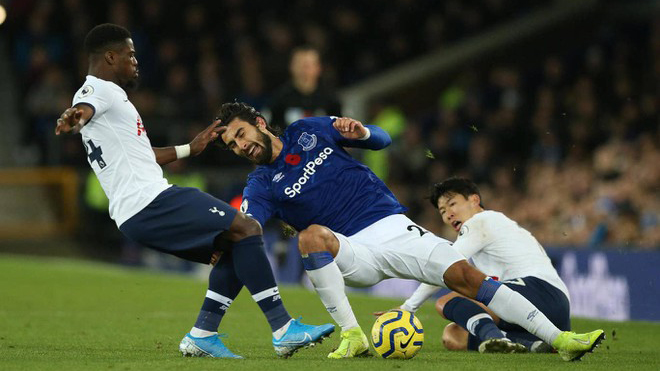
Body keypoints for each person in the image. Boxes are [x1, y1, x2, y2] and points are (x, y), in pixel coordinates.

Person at [214, 101, 604, 361]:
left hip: (394, 227)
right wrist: (216, 237)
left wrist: (362, 132)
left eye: (241, 135)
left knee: (468, 278)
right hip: (352, 251)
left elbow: (381, 140)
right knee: (309, 236)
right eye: (232, 145)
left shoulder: (308, 131)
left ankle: (561, 340)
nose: (241, 146)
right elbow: (247, 226)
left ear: (259, 124)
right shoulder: (261, 185)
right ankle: (352, 335)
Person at [54, 23, 334, 359]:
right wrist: (73, 117)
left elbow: (145, 155)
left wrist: (190, 147)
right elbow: (83, 109)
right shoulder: (99, 91)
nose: (135, 61)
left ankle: (203, 334)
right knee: (248, 228)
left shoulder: (111, 98)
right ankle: (284, 328)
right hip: (151, 202)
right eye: (130, 55)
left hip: (137, 210)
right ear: (110, 57)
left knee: (237, 245)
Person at [394, 177, 571, 354]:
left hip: (542, 292)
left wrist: (408, 308)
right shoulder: (492, 231)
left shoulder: (481, 221)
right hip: (554, 311)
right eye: (442, 211)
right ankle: (531, 344)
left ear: (474, 200)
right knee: (453, 335)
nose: (448, 214)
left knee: (447, 302)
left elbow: (444, 266)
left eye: (452, 204)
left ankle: (495, 337)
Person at [264, 46, 341, 132]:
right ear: (291, 67)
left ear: (318, 68)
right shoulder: (278, 99)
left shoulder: (331, 99)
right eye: (299, 64)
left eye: (308, 65)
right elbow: (267, 130)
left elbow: (340, 133)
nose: (304, 70)